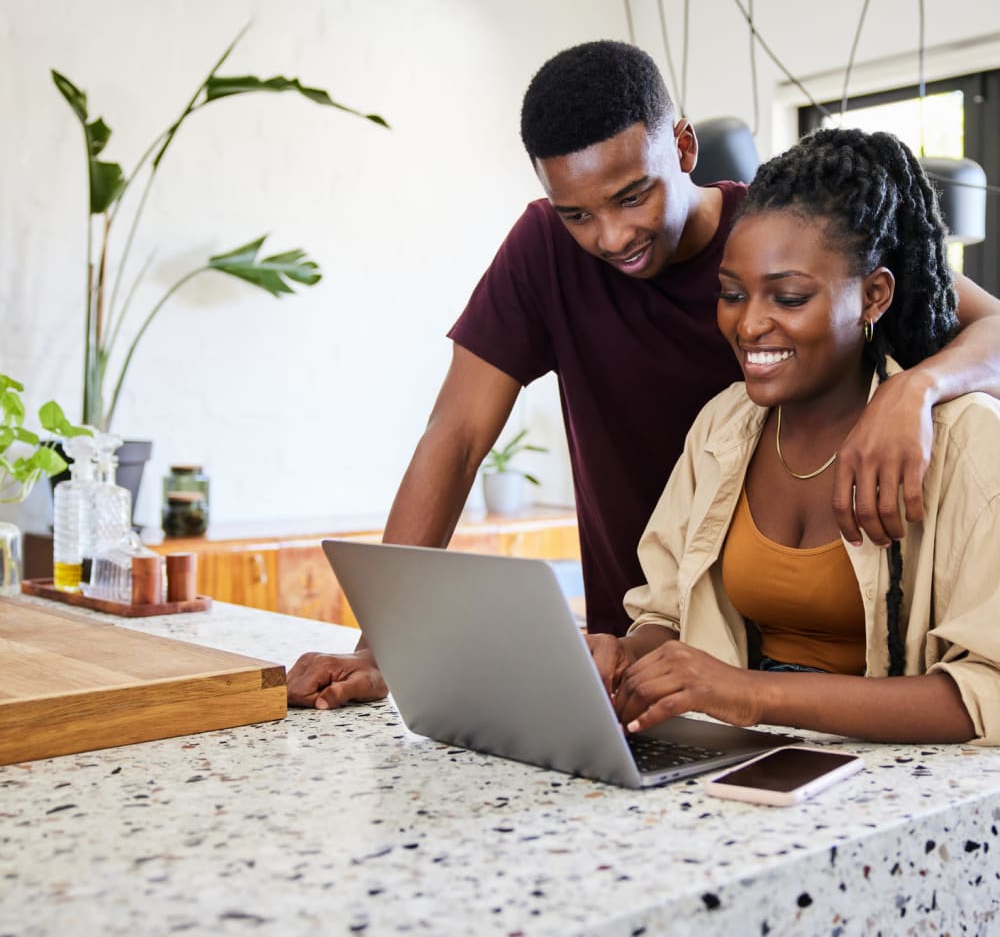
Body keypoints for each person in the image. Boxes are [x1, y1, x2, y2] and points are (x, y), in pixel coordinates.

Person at [287, 41, 1000, 710]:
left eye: (633, 197)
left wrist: (915, 389)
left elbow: (979, 318)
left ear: (683, 146)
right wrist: (383, 643)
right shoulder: (545, 251)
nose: (610, 236)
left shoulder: (783, 233)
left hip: (800, 672)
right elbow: (458, 433)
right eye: (577, 214)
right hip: (644, 636)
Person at [593, 127, 1000, 744]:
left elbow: (988, 691)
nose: (749, 324)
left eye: (788, 297)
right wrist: (627, 656)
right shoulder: (723, 426)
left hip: (893, 781)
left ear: (873, 296)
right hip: (744, 756)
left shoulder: (965, 440)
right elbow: (667, 613)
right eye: (731, 294)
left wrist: (753, 695)